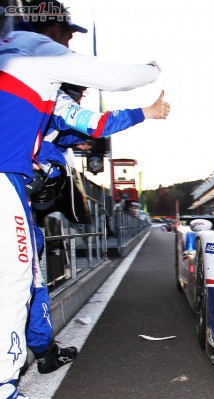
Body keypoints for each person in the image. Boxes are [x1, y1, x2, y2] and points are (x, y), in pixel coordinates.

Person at [0, 3, 160, 396]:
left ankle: (42, 351)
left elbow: (73, 132)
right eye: (67, 32)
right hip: (7, 185)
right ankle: (6, 384)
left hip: (17, 187)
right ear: (47, 26)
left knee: (26, 278)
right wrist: (151, 89)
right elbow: (99, 114)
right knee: (19, 282)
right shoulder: (35, 53)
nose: (70, 41)